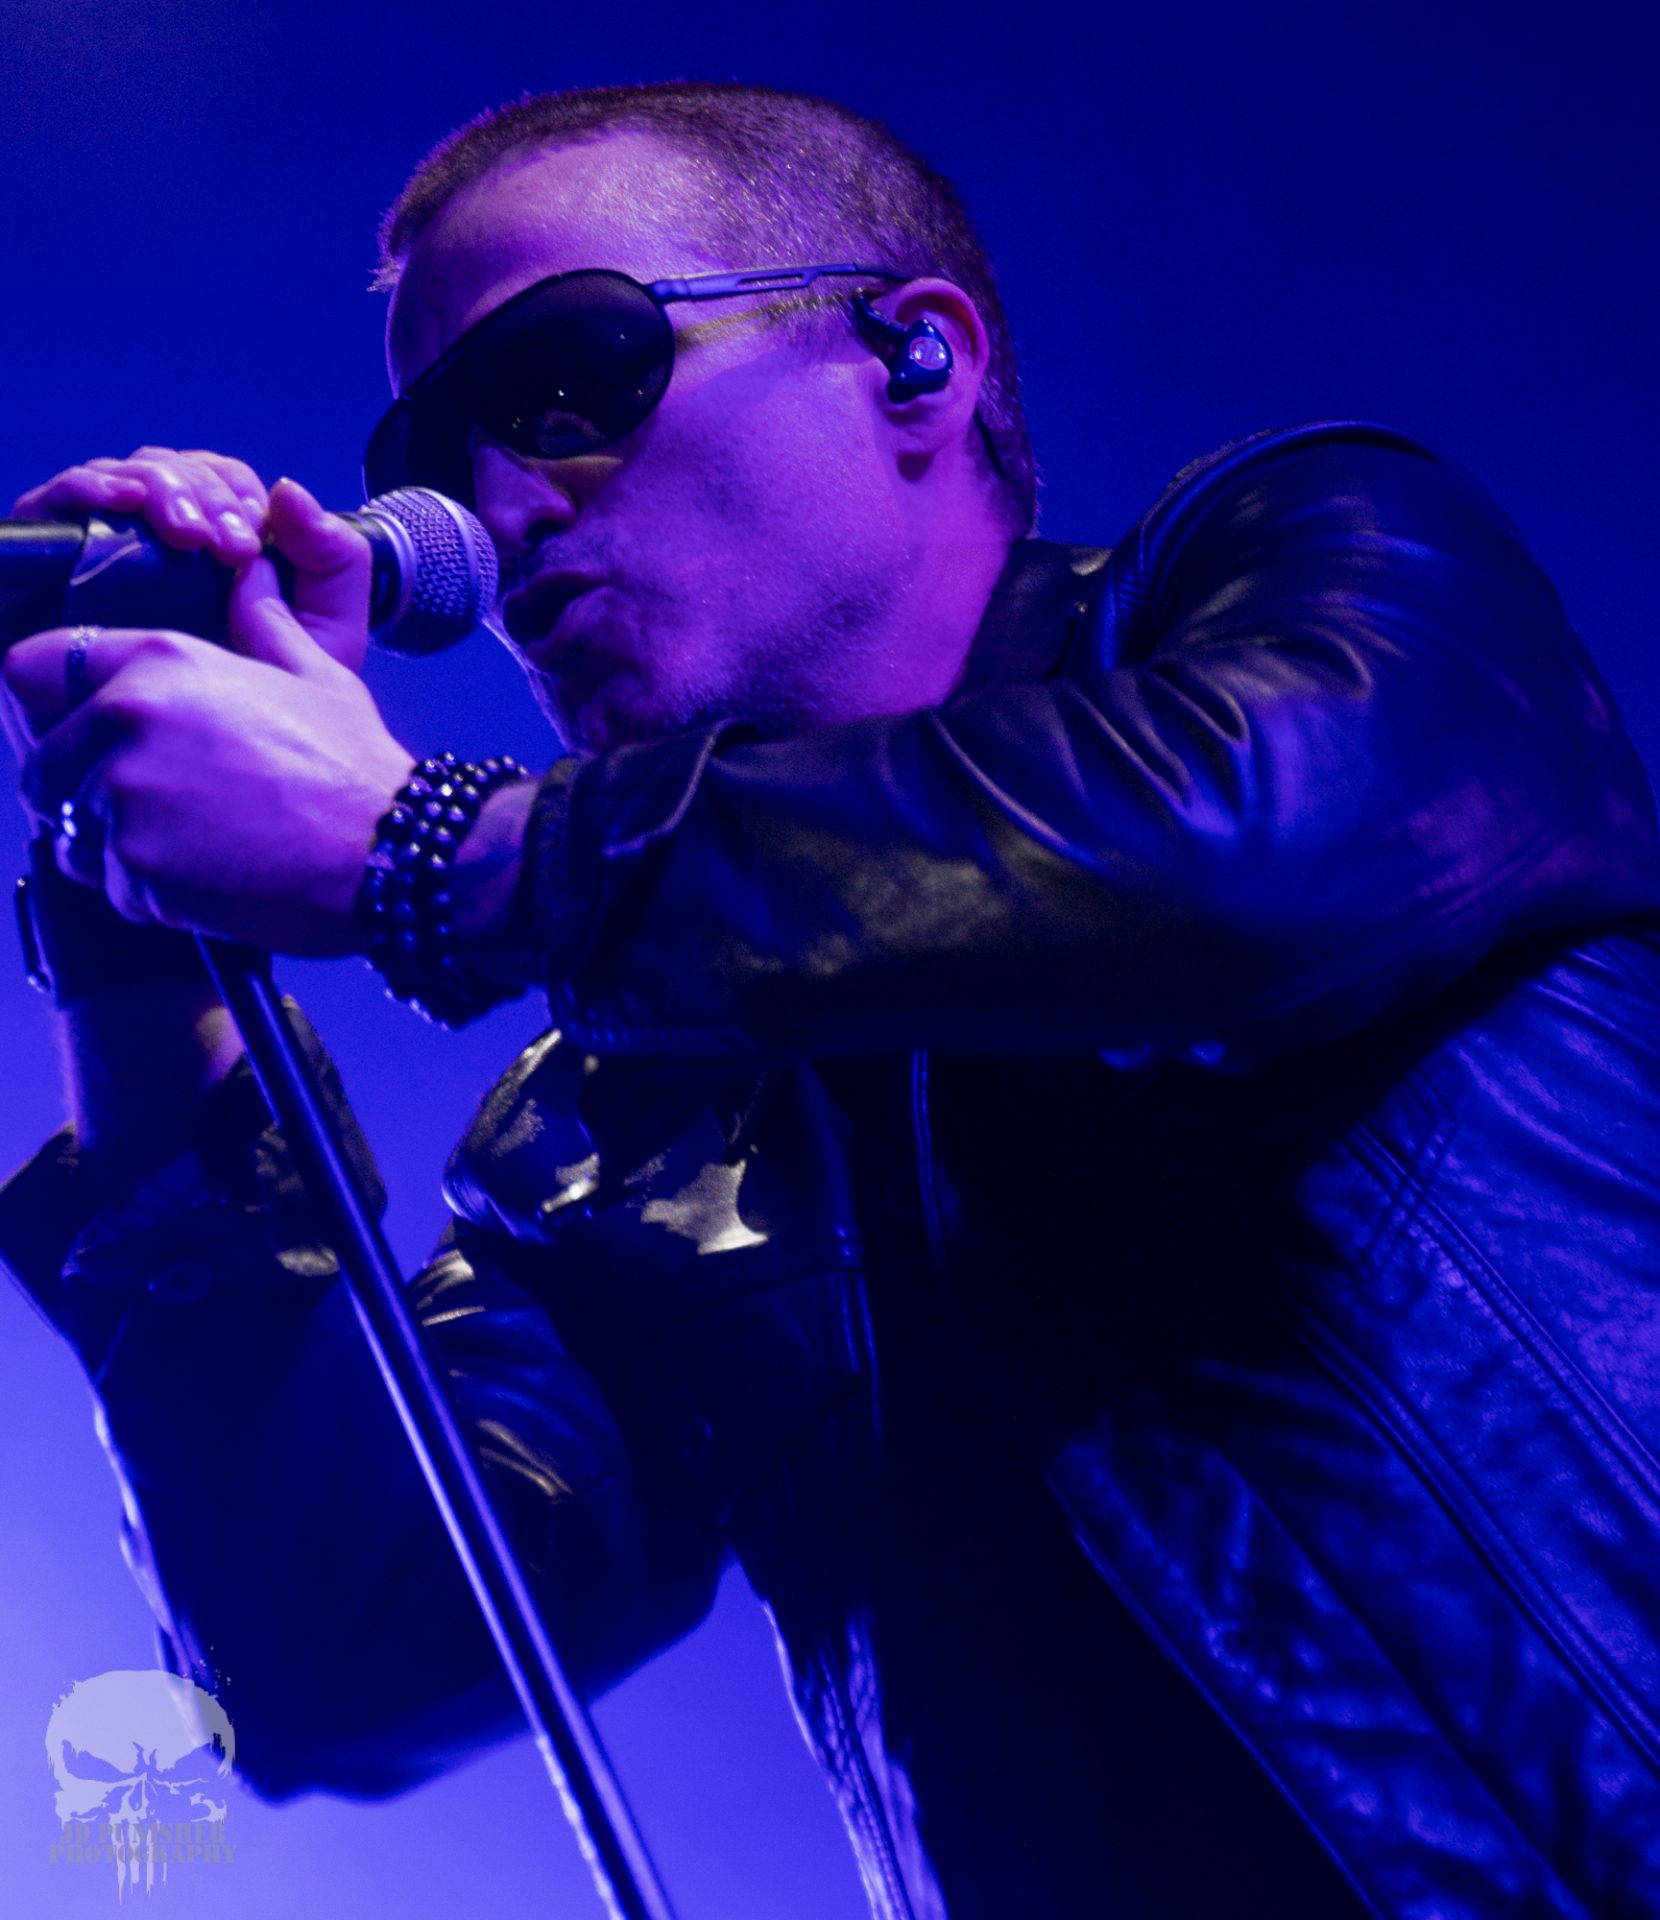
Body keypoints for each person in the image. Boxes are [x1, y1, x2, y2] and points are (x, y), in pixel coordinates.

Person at [4, 79, 1660, 1920]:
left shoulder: (1305, 562)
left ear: (912, 361)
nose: (494, 515)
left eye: (567, 383)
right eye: (440, 456)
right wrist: (127, 906)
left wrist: (435, 845)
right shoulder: (618, 1124)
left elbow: (1241, 845)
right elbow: (340, 1656)